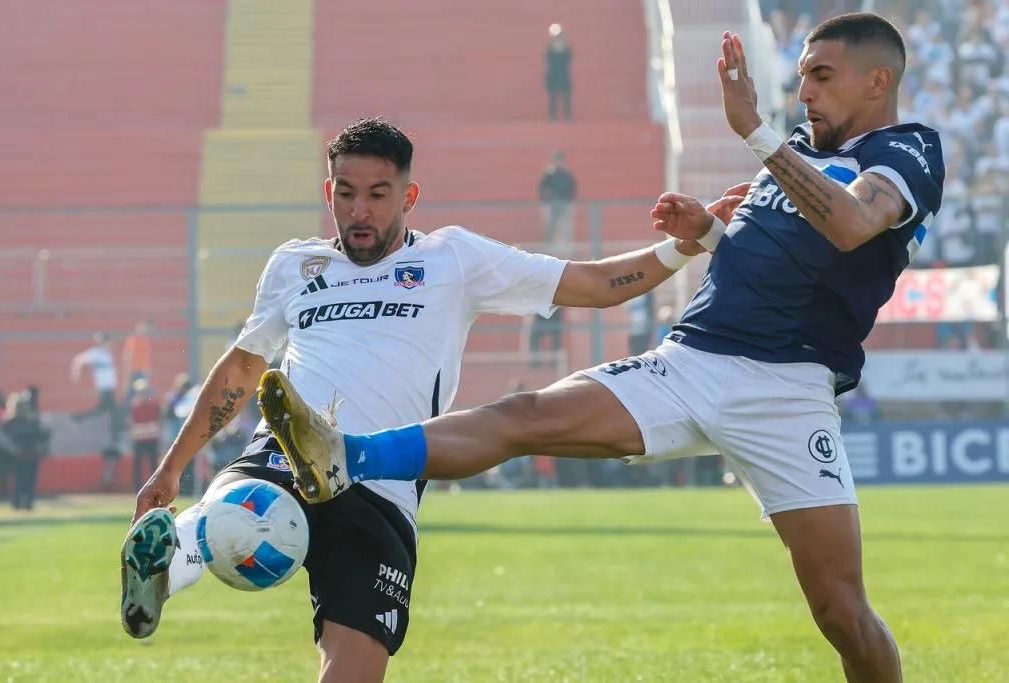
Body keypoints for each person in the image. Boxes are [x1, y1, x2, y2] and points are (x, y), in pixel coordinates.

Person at [257, 15, 943, 683]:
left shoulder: (905, 151)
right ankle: (346, 455)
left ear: (877, 81)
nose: (804, 92)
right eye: (801, 77)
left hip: (787, 392)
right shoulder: (796, 149)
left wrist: (758, 135)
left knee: (842, 614)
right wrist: (705, 230)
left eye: (821, 76)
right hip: (689, 362)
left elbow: (853, 224)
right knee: (526, 414)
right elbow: (764, 245)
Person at [121, 117, 748, 682]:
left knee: (354, 672)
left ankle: (181, 546)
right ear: (328, 191)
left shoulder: (453, 258)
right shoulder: (295, 265)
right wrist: (171, 465)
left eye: (377, 193)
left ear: (408, 195)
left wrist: (683, 247)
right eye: (345, 192)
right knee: (244, 508)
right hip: (288, 453)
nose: (358, 210)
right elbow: (242, 367)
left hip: (385, 482)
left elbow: (596, 284)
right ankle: (168, 561)